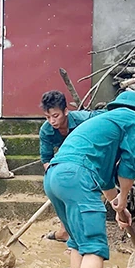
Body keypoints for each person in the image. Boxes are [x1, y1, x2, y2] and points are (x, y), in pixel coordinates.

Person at [43, 90, 135, 268]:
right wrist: (123, 199)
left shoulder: (102, 124)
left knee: (78, 244)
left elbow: (104, 180)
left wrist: (118, 206)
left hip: (55, 178)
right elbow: (129, 164)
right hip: (78, 177)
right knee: (94, 247)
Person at [38, 90, 104, 243]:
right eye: (47, 117)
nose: (52, 121)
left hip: (88, 159)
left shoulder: (84, 120)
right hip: (65, 164)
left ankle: (85, 233)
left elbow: (106, 116)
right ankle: (66, 231)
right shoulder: (46, 131)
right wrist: (55, 179)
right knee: (58, 191)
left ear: (66, 111)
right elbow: (46, 159)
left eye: (55, 116)